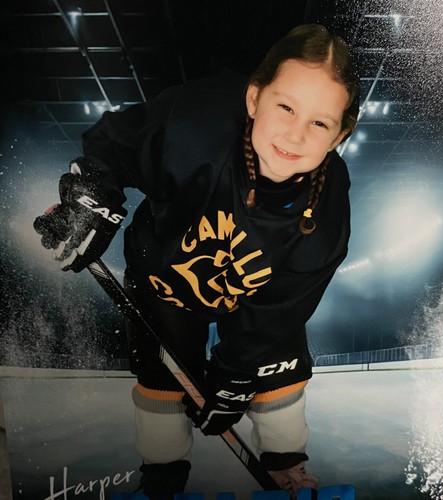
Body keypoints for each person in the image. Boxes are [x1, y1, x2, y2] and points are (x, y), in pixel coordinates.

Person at [34, 23, 359, 499]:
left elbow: (278, 313)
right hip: (163, 276)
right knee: (164, 375)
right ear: (254, 98)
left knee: (275, 361)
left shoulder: (327, 211)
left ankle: (286, 467)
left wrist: (236, 375)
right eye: (286, 107)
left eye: (320, 123)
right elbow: (117, 143)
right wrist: (93, 194)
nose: (295, 134)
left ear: (339, 135)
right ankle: (162, 479)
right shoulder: (196, 120)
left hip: (254, 294)